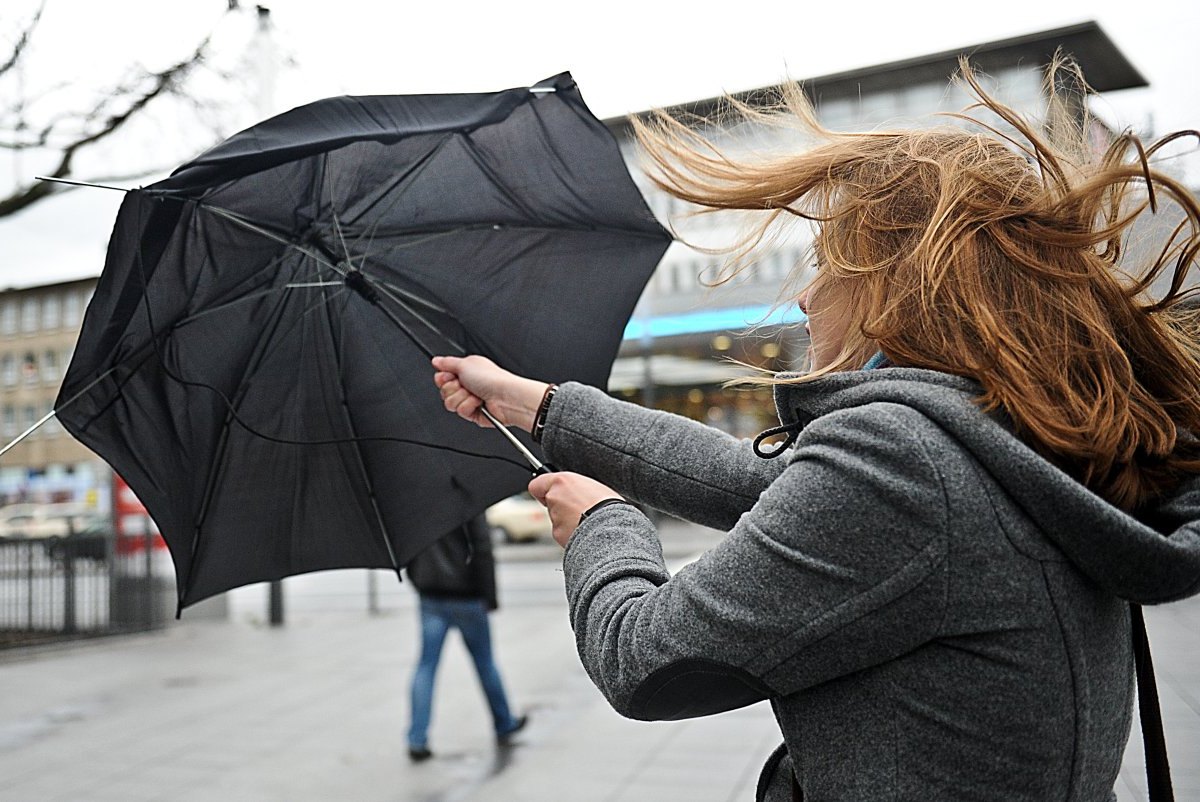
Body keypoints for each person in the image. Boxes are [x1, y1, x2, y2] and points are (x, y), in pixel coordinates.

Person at [431, 59, 1200, 800]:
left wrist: (603, 525)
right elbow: (749, 481)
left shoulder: (906, 463)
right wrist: (535, 405)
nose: (805, 297)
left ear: (896, 287)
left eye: (828, 260)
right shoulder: (1008, 430)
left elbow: (645, 660)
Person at [404, 513, 527, 761]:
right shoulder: (465, 492)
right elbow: (481, 546)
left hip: (431, 595)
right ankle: (504, 723)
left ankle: (416, 739)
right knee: (485, 663)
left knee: (426, 666)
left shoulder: (415, 499)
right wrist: (489, 596)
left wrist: (418, 581)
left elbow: (405, 548)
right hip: (467, 595)